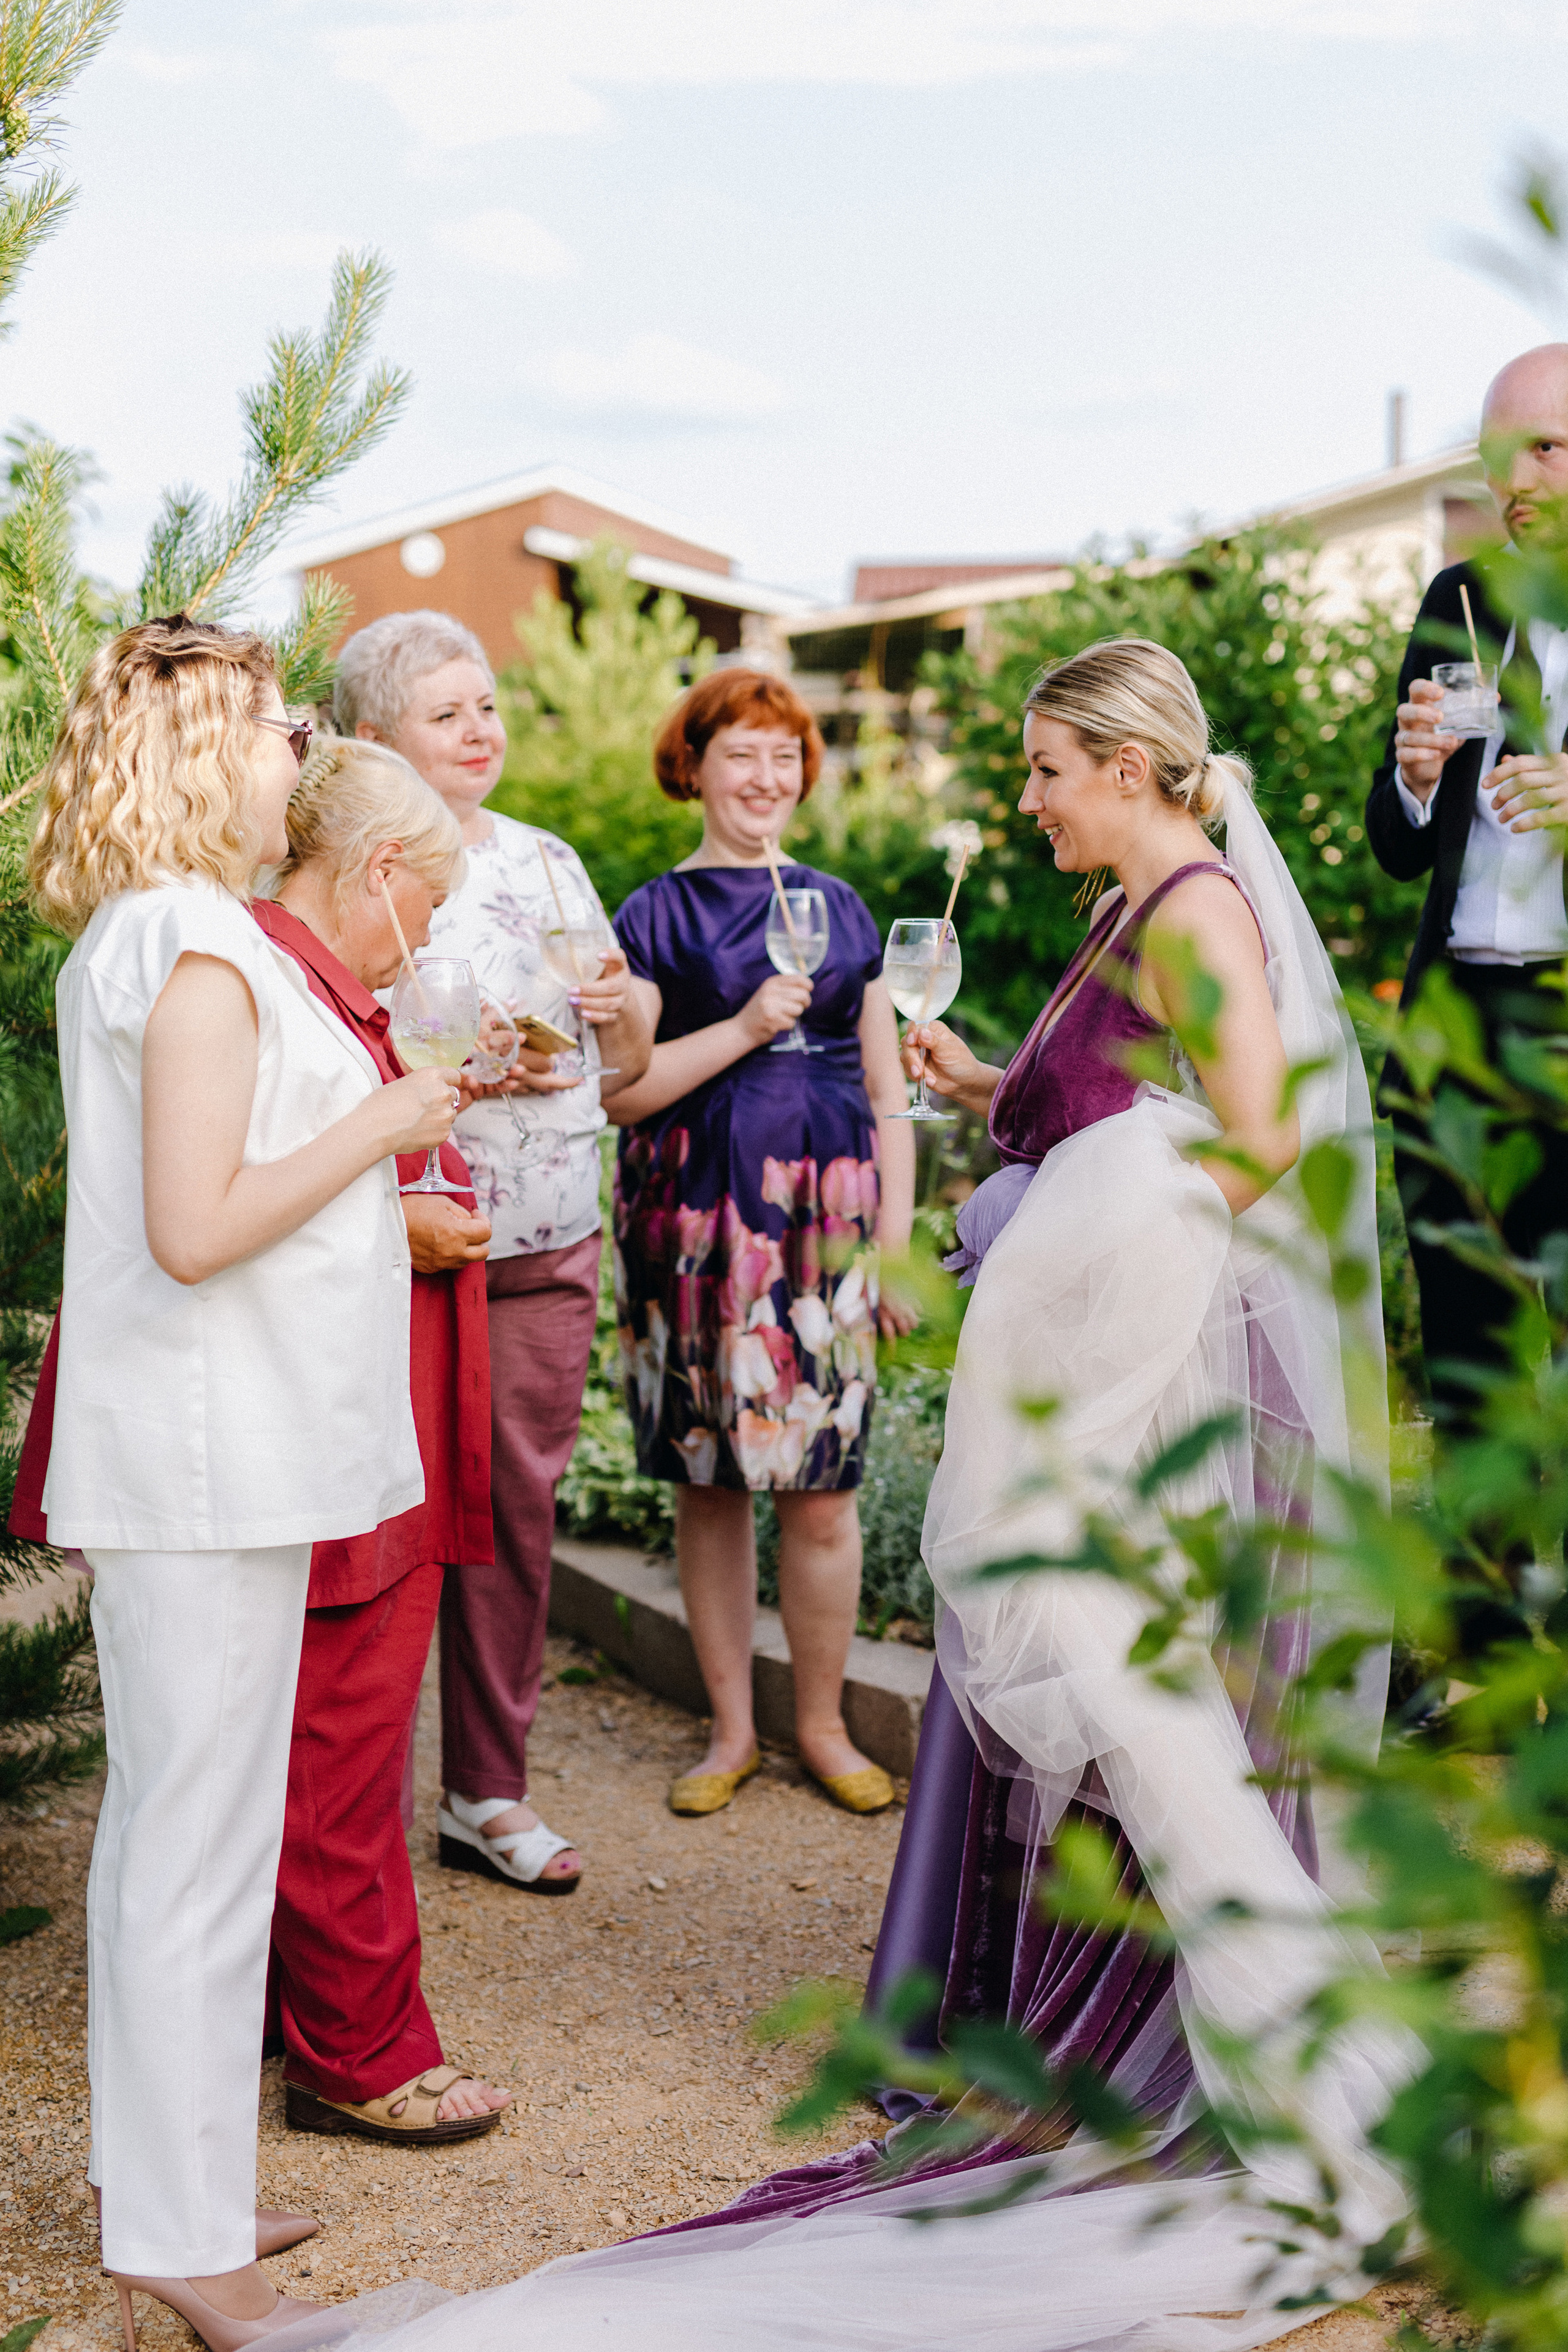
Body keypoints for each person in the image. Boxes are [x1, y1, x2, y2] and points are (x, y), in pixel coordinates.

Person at [279, 642, 1414, 2351]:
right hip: (1060, 1371)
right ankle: (1151, 2031)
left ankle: (1268, 2062)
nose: (1028, 801)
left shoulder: (1196, 913)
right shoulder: (1133, 907)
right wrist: (993, 1098)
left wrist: (1091, 1206)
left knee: (1144, 1710)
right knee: (1124, 1716)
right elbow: (1124, 1100)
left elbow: (1259, 1163)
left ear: (1124, 764)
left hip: (1126, 1399)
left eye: (1045, 770)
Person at [24, 617, 456, 2349]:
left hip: (220, 1452)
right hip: (208, 1461)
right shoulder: (196, 942)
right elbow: (198, 1227)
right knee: (194, 1854)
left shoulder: (157, 935)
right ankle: (184, 2244)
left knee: (182, 1842)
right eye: (278, 725)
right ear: (210, 754)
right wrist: (390, 1123)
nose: (299, 747)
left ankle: (179, 2191)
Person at [333, 611, 652, 1893]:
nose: (482, 731)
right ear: (370, 740)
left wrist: (626, 1015)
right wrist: (475, 1071)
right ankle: (349, 1819)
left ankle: (486, 1790)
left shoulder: (547, 860)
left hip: (548, 1238)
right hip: (400, 1247)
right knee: (386, 1520)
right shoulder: (346, 879)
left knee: (517, 1516)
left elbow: (618, 1053)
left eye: (486, 705)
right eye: (447, 713)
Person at [255, 736, 511, 2144]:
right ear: (380, 873)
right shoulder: (277, 984)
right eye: (432, 901)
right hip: (336, 1422)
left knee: (335, 1729)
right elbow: (226, 1206)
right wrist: (393, 1215)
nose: (430, 942)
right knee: (339, 1736)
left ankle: (300, 2020)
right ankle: (355, 2048)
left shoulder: (326, 985)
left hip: (370, 1408)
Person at [606, 669, 917, 1819]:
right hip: (694, 1224)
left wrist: (890, 1240)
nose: (766, 778)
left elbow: (889, 1090)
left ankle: (825, 1726)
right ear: (694, 765)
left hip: (825, 1231)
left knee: (822, 1490)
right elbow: (623, 1093)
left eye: (785, 758)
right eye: (742, 754)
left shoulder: (844, 905)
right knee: (710, 1482)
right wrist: (742, 1028)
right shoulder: (648, 916)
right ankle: (732, 1729)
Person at [1366, 342, 1568, 1431]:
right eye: (1502, 456)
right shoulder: (1459, 596)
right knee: (1469, 1377)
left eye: (1546, 449)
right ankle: (1482, 1604)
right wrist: (1410, 782)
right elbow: (1397, 848)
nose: (1516, 483)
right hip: (1451, 1038)